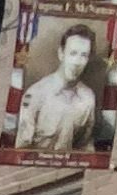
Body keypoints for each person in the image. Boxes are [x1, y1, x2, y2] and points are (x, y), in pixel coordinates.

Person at [15, 23, 105, 157]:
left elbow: (84, 145)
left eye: (84, 55)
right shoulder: (36, 94)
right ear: (61, 54)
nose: (77, 62)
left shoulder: (88, 98)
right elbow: (22, 149)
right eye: (73, 53)